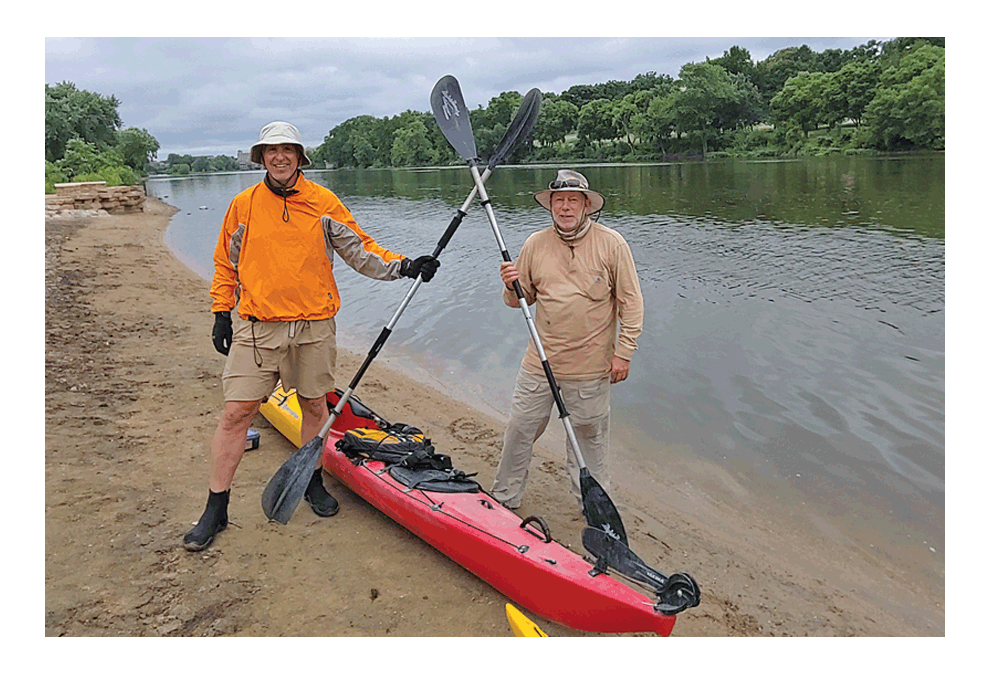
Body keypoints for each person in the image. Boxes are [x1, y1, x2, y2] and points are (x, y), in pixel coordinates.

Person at [183, 121, 440, 551]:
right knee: (235, 414)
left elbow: (361, 249)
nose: (279, 157)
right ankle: (216, 507)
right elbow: (225, 263)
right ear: (260, 158)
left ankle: (311, 481)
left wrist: (406, 265)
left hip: (314, 326)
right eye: (271, 150)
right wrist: (220, 312)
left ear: (300, 157)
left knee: (315, 408)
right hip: (256, 326)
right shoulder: (243, 205)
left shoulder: (323, 203)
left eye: (288, 149)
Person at [490, 169, 643, 510]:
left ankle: (594, 510)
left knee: (589, 445)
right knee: (519, 431)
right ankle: (504, 500)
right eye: (559, 200)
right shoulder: (534, 243)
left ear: (587, 205)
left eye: (573, 200)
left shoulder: (612, 243)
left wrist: (625, 353)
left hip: (591, 369)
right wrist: (509, 283)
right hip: (539, 365)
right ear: (550, 206)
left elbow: (631, 303)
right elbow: (519, 300)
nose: (565, 207)